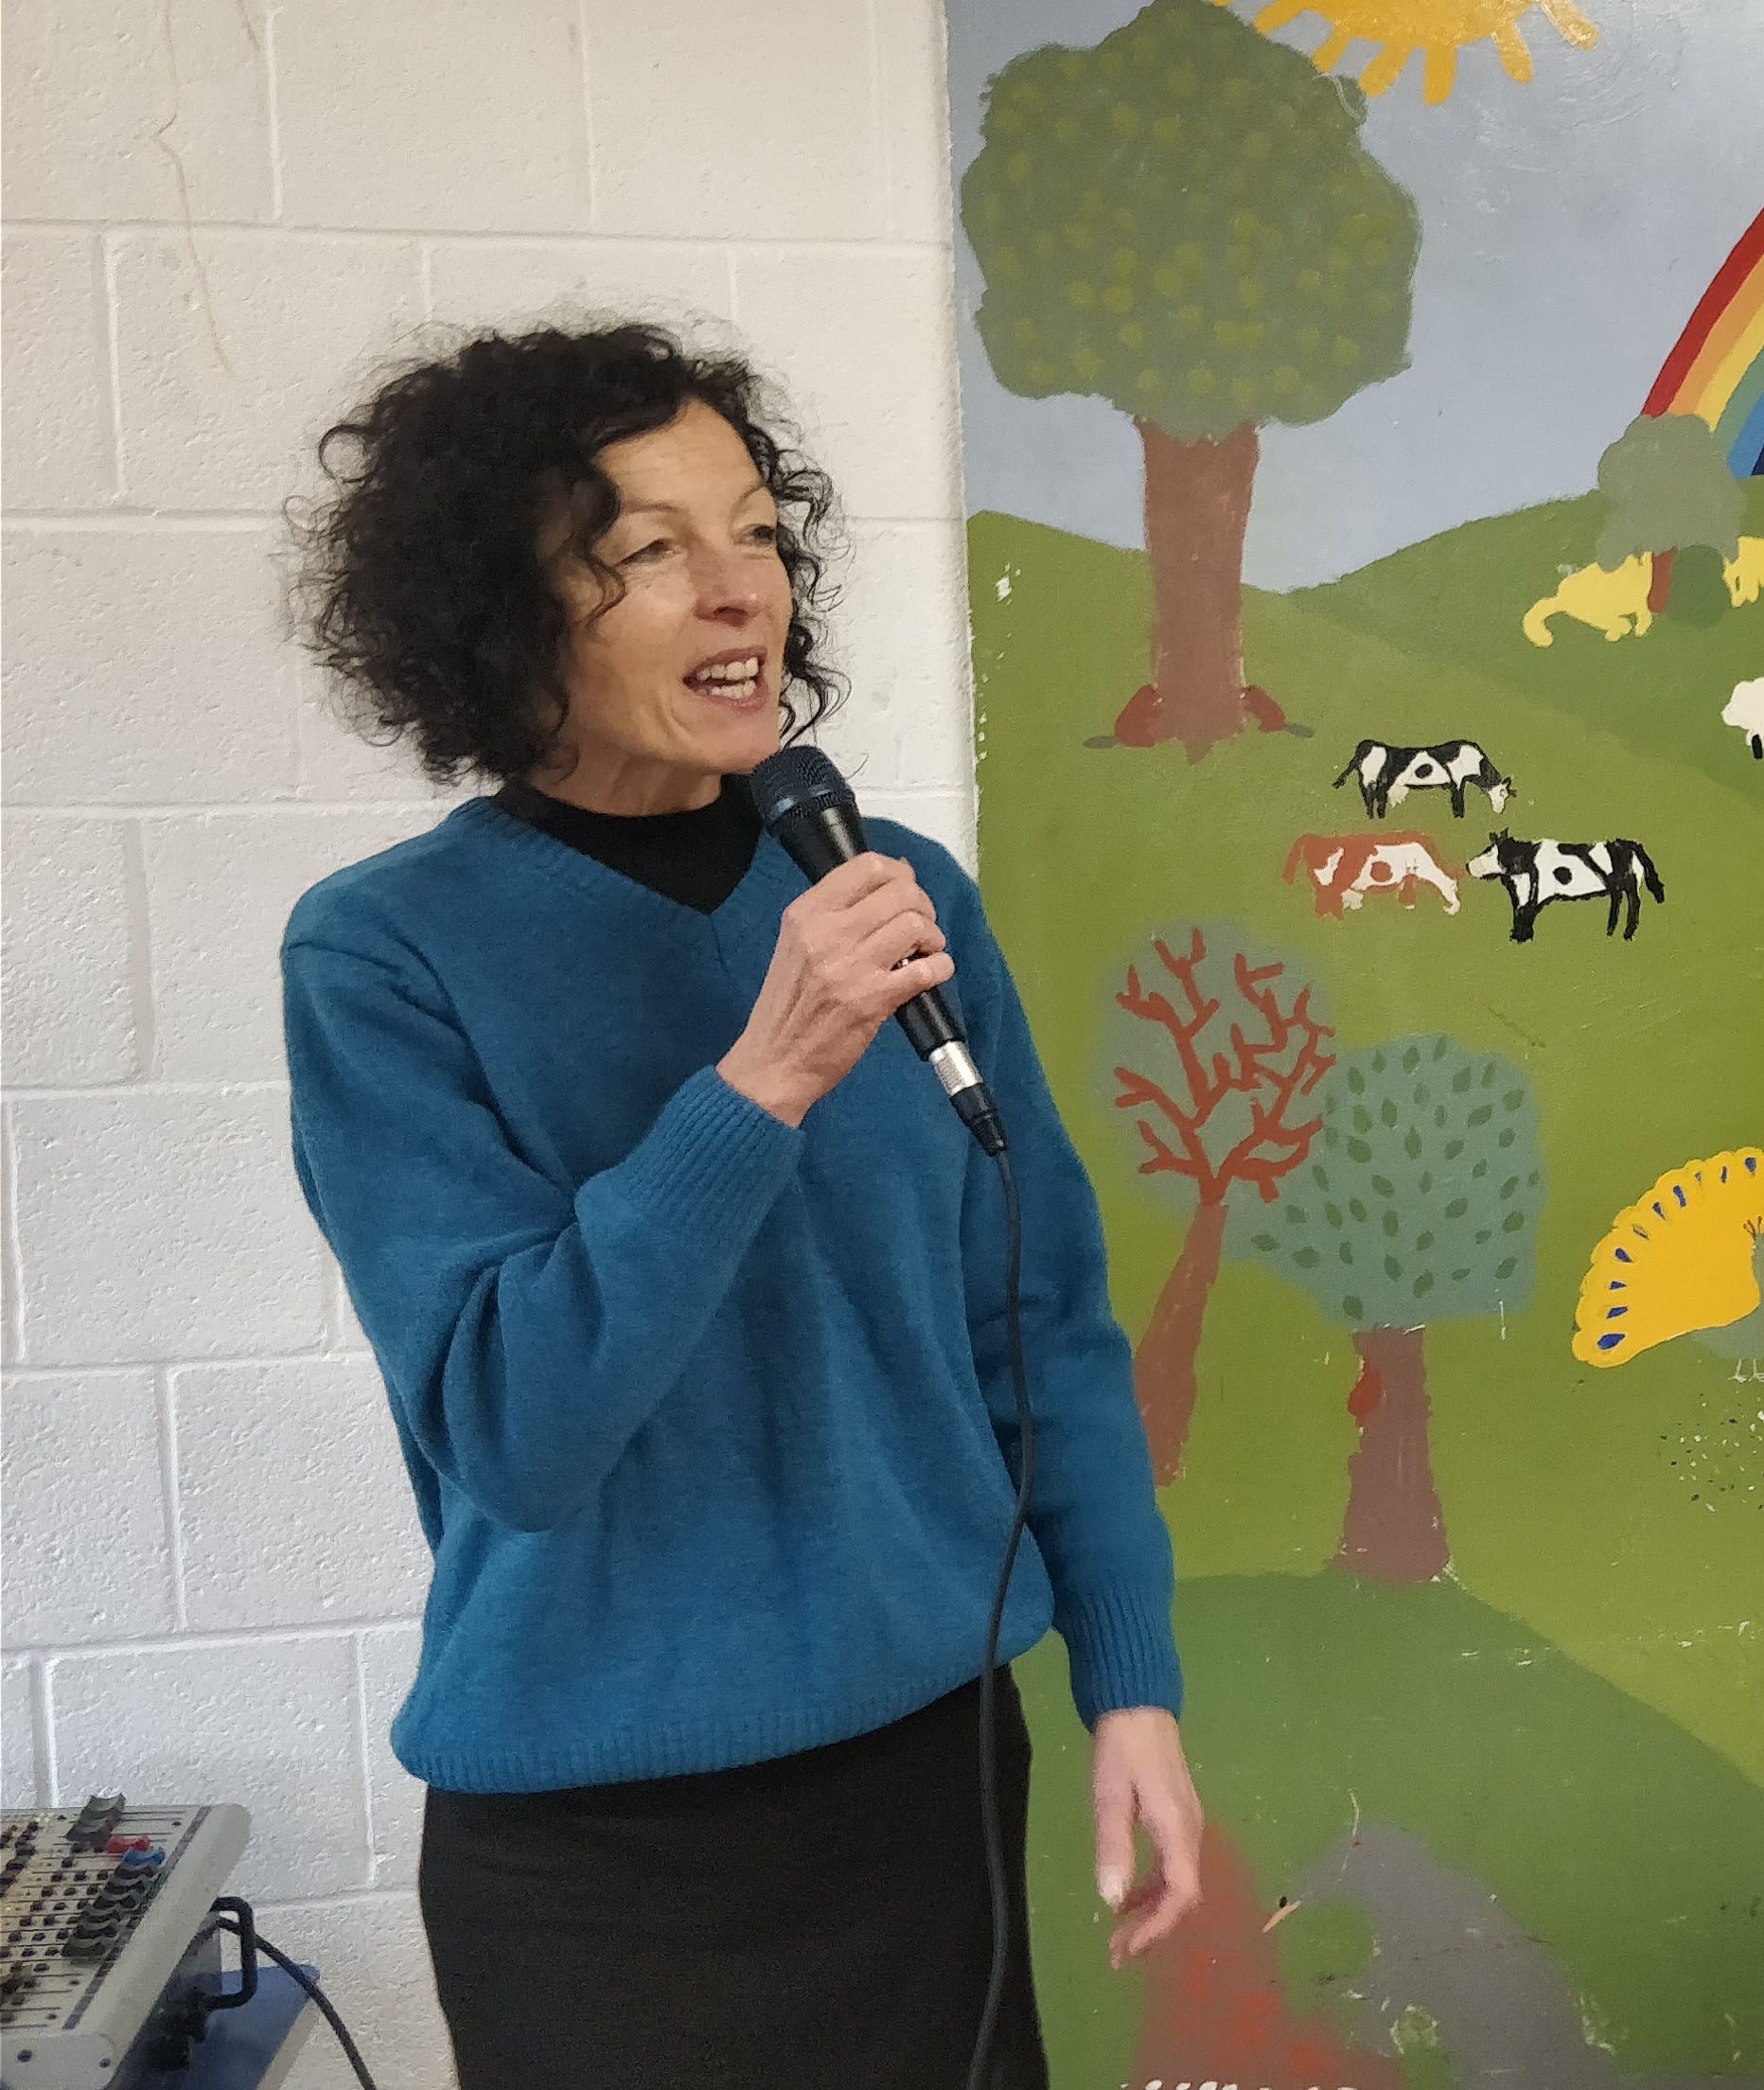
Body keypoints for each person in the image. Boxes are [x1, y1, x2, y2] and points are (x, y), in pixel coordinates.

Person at [280, 324, 1199, 2087]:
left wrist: (1129, 1677)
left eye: (760, 533)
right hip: (609, 1867)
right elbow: (519, 1429)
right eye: (645, 553)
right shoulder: (385, 954)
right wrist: (764, 1073)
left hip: (933, 1787)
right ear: (499, 615)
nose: (735, 593)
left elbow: (1047, 1322)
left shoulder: (891, 884)